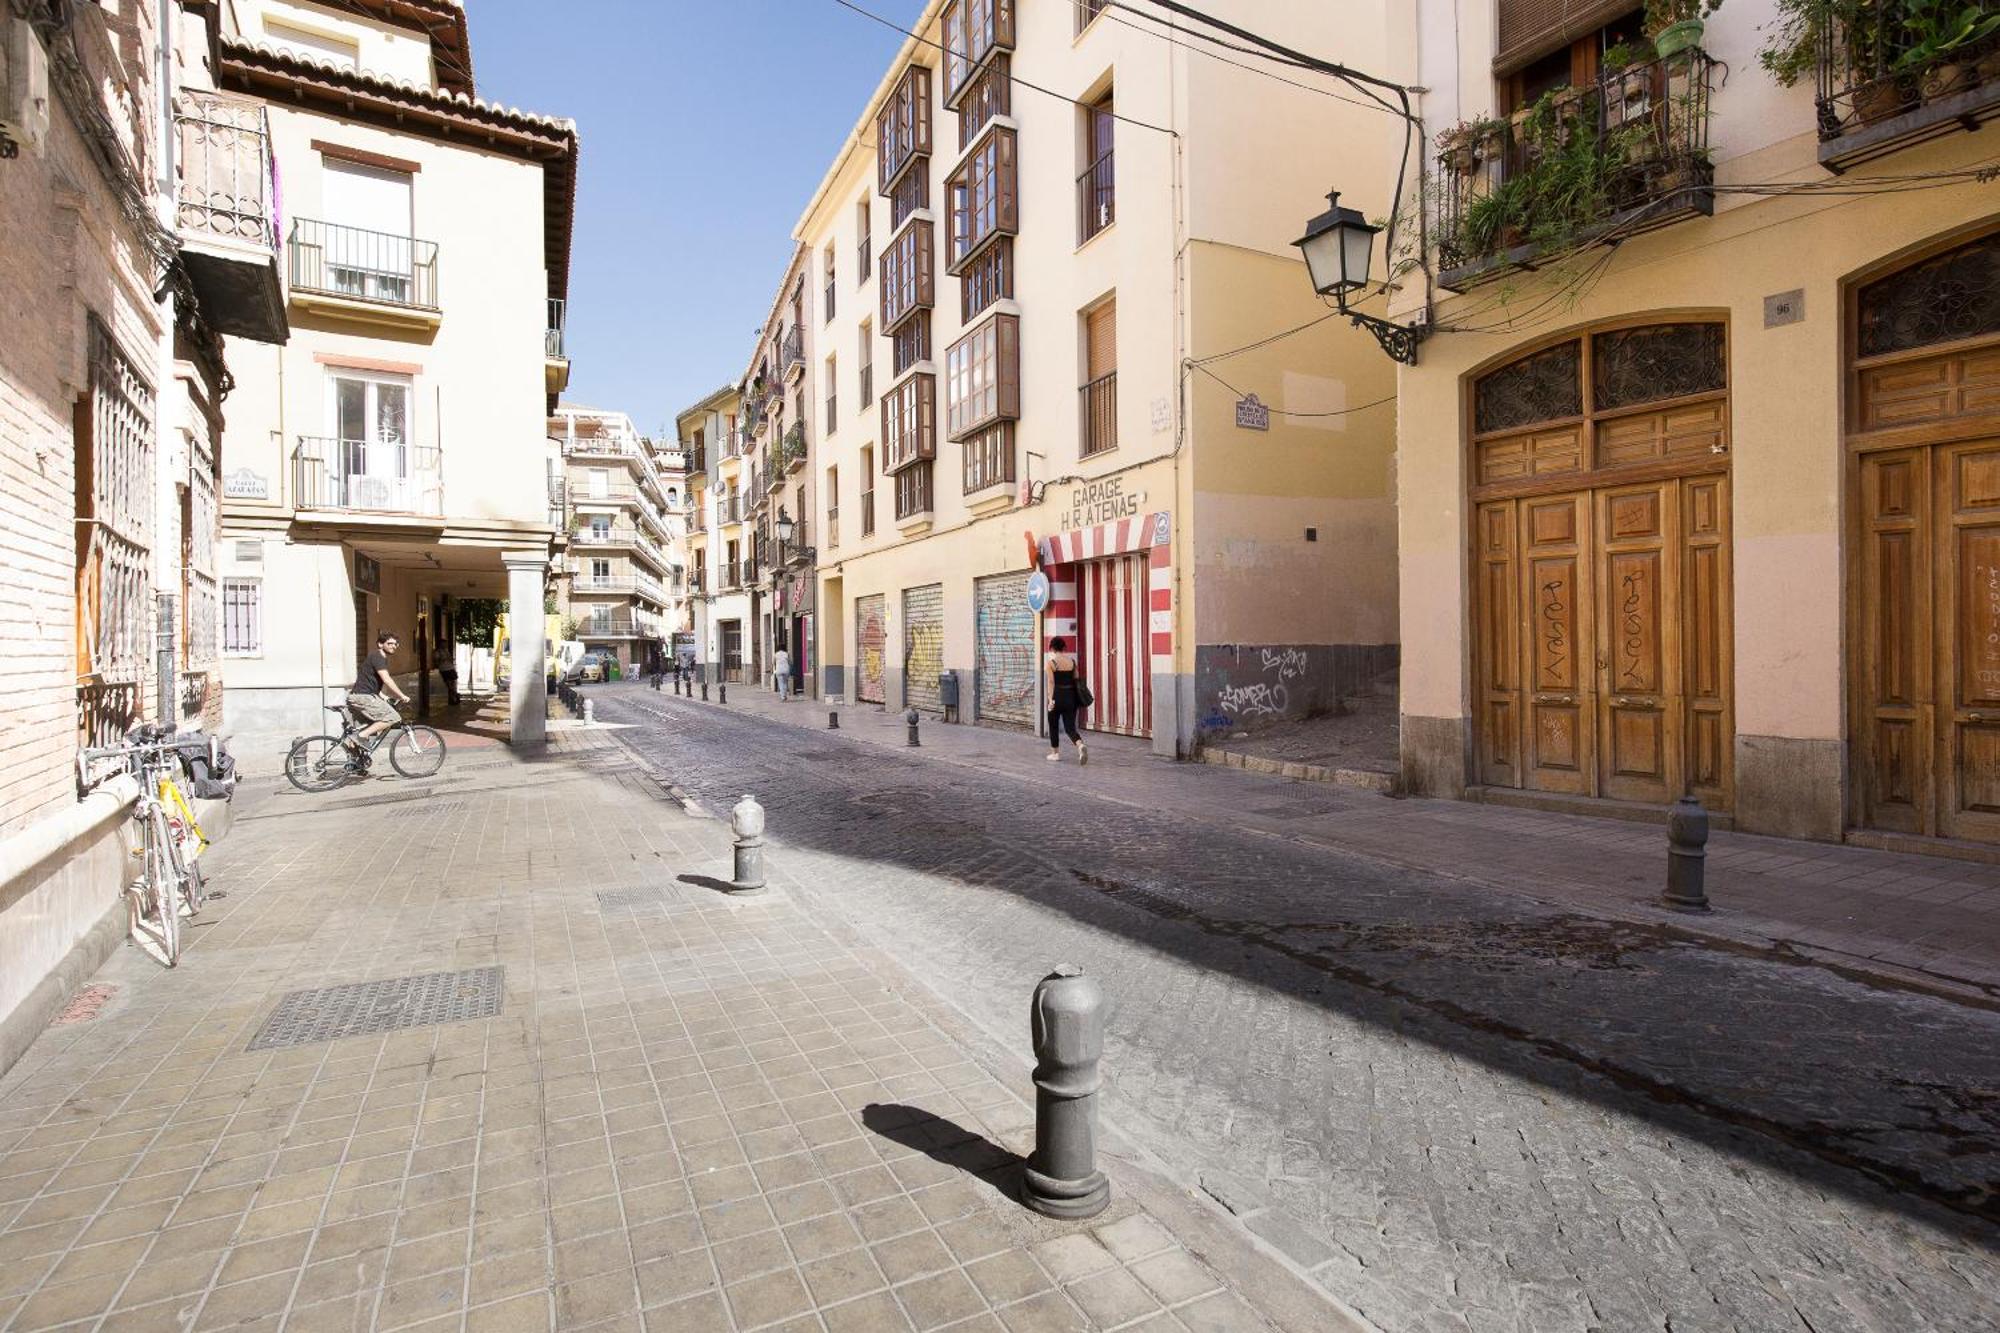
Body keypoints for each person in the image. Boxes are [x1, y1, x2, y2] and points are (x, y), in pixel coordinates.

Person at [346, 630, 410, 765]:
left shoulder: (377, 657)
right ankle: (361, 737)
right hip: (363, 698)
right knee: (393, 717)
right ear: (380, 644)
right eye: (390, 643)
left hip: (360, 696)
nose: (394, 646)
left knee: (368, 727)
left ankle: (356, 763)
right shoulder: (378, 657)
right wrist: (402, 695)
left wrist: (385, 697)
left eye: (396, 644)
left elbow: (370, 684)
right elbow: (386, 679)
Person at [1045, 636, 1087, 764]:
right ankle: (1080, 745)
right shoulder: (1072, 662)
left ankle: (1055, 753)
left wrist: (1050, 699)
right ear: (1064, 647)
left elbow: (1051, 682)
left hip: (1057, 696)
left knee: (1053, 725)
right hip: (1071, 698)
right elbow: (1077, 679)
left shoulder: (1051, 663)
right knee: (1070, 727)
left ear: (1052, 648)